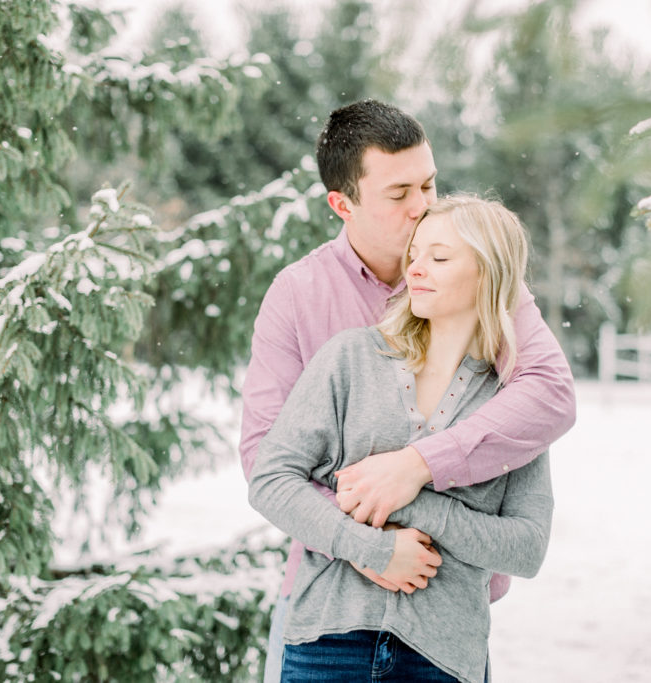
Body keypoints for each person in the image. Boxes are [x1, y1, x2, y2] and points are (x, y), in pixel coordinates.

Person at [240, 99, 575, 681]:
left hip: (448, 620)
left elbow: (549, 395)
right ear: (343, 205)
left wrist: (417, 468)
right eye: (399, 194)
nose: (422, 207)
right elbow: (266, 461)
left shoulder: (487, 286)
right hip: (329, 610)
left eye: (429, 183)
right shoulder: (301, 298)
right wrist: (369, 546)